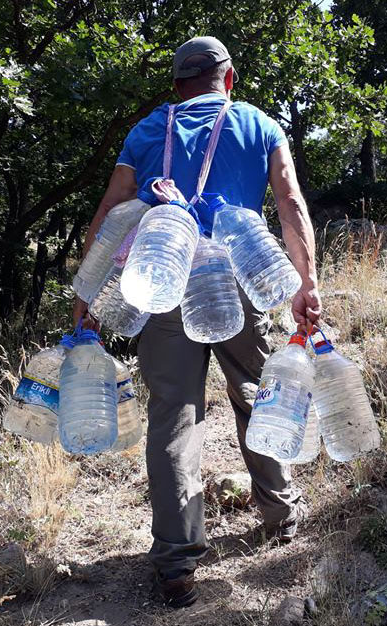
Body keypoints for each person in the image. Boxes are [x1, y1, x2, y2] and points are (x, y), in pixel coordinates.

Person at [72, 36, 321, 608]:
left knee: (174, 418)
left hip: (162, 278)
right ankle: (280, 514)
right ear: (228, 78)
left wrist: (85, 292)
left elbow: (110, 210)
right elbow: (289, 202)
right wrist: (306, 282)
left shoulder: (146, 131)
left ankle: (176, 566)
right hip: (239, 273)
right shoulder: (258, 124)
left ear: (177, 87)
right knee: (259, 395)